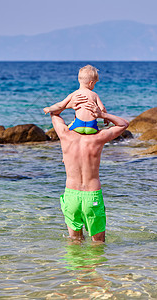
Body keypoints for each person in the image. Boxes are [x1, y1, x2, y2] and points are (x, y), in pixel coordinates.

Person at [51, 99, 129, 242]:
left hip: (71, 195)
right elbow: (123, 124)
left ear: (75, 119)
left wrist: (69, 104)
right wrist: (103, 115)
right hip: (91, 195)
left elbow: (53, 113)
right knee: (98, 243)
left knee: (75, 242)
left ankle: (76, 264)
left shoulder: (65, 135)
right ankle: (95, 264)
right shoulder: (98, 138)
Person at [44, 65, 108, 134]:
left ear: (79, 80)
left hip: (78, 126)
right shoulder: (94, 95)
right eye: (94, 84)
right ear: (91, 83)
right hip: (92, 127)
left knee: (67, 129)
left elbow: (60, 105)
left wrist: (49, 108)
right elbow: (102, 108)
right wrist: (106, 118)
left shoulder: (74, 94)